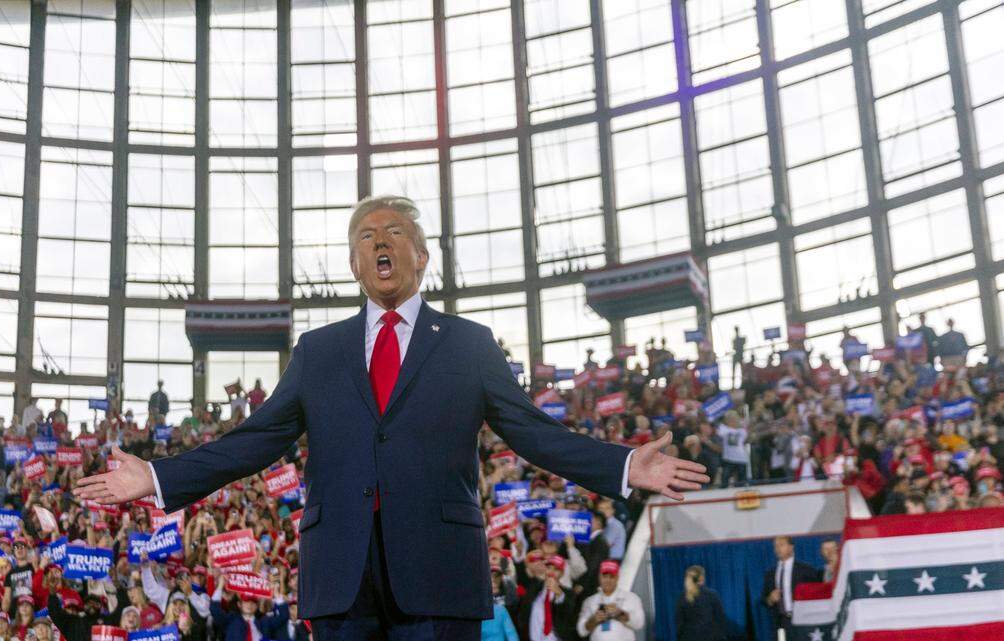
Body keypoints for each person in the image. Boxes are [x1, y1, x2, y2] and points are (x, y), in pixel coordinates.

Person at [77, 195, 709, 641]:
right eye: (366, 237)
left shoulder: (468, 343)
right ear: (355, 265)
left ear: (422, 256)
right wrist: (159, 478)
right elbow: (256, 439)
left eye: (393, 233)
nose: (379, 242)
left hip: (438, 574)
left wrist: (624, 464)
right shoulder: (318, 351)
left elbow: (532, 431)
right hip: (341, 580)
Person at [761, 536, 820, 636]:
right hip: (781, 622)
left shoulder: (806, 570)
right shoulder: (770, 574)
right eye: (775, 546)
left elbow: (817, 594)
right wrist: (770, 599)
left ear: (791, 547)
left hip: (803, 619)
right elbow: (764, 599)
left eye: (781, 545)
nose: (778, 549)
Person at [576, 561, 644, 641]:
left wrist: (621, 614)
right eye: (604, 576)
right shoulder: (590, 601)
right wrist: (593, 620)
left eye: (612, 576)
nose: (608, 580)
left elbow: (639, 623)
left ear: (617, 577)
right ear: (599, 577)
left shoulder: (632, 598)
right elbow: (581, 631)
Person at [518, 555, 579, 641]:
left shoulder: (568, 594)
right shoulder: (534, 588)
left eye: (556, 569)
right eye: (549, 567)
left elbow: (568, 614)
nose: (551, 571)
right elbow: (523, 613)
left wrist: (559, 593)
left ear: (562, 573)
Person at [674, 566, 724, 641]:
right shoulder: (712, 595)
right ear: (702, 578)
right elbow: (720, 620)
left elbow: (679, 624)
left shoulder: (682, 598)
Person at [481, 566, 519, 641]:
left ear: (501, 577)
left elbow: (511, 634)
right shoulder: (500, 610)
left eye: (497, 576)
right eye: (491, 576)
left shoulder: (509, 596)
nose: (494, 579)